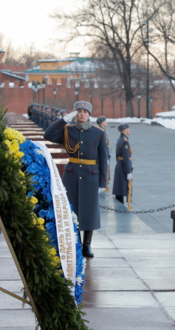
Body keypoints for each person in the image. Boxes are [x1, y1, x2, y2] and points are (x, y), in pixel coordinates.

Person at [44, 100, 108, 258]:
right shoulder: (67, 130)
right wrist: (63, 120)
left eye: (85, 112)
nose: (82, 114)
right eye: (79, 111)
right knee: (71, 210)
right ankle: (76, 242)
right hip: (71, 175)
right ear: (74, 114)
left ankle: (87, 245)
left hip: (91, 175)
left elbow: (103, 159)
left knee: (89, 211)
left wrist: (103, 182)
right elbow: (48, 135)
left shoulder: (99, 132)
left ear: (89, 114)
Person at [113, 123, 133, 204]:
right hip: (123, 167)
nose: (129, 130)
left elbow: (117, 154)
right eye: (128, 128)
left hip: (120, 164)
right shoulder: (124, 141)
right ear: (124, 130)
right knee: (121, 188)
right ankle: (120, 207)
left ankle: (119, 206)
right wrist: (128, 171)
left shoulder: (120, 139)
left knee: (119, 188)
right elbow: (126, 157)